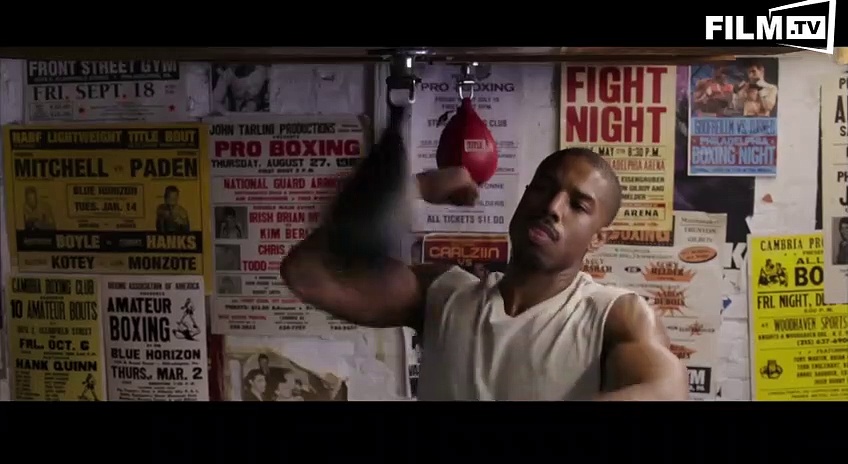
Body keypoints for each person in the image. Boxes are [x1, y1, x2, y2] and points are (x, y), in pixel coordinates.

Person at [281, 147, 689, 401]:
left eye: (578, 205)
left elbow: (667, 391)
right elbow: (307, 273)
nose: (552, 207)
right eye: (543, 189)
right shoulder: (442, 293)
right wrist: (411, 189)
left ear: (598, 238)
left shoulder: (615, 315)